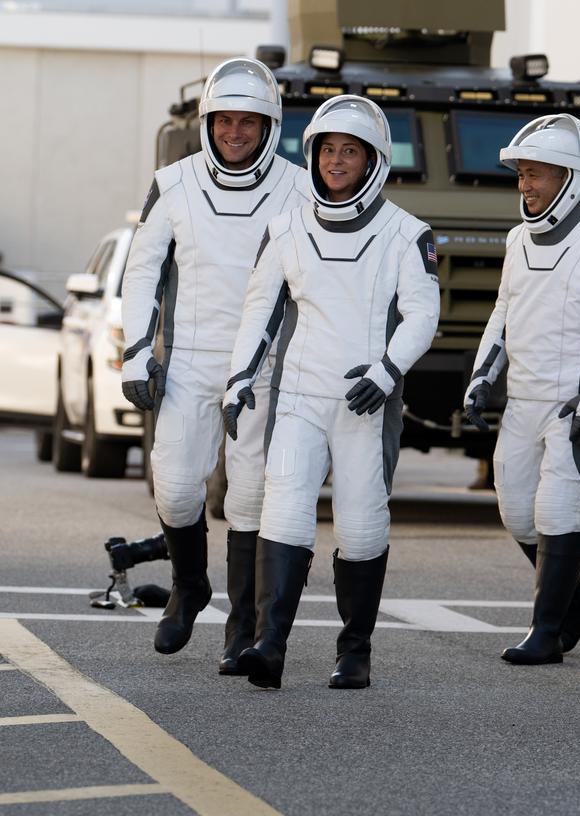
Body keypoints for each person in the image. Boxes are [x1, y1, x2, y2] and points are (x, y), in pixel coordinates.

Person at [222, 95, 439, 689]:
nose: (335, 161)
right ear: (312, 154)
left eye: (349, 151)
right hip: (298, 395)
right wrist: (240, 378)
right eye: (326, 150)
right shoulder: (286, 226)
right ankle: (269, 646)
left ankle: (355, 651)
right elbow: (259, 312)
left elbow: (423, 314)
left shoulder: (406, 232)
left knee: (362, 526)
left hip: (365, 401)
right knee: (285, 508)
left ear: (374, 160)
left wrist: (387, 371)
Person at [119, 57, 309, 674]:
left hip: (264, 362)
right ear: (206, 122)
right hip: (192, 360)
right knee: (174, 489)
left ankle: (244, 628)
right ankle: (189, 585)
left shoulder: (298, 187)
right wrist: (137, 351)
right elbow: (143, 270)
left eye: (248, 122)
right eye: (224, 120)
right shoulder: (171, 183)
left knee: (250, 497)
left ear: (268, 125)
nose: (235, 132)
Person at [462, 113, 580, 665]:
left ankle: (546, 633)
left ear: (573, 176)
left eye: (537, 174)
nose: (526, 185)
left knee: (558, 510)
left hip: (576, 403)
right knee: (516, 512)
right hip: (522, 400)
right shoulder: (518, 239)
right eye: (522, 174)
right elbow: (503, 312)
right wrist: (481, 375)